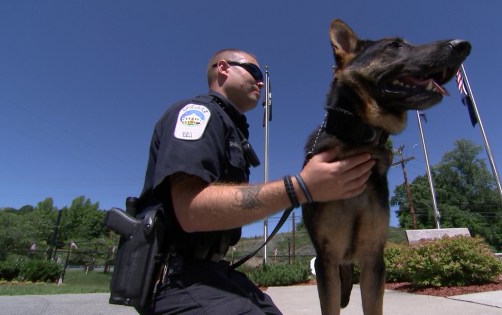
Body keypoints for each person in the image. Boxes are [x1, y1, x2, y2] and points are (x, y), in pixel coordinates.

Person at [138, 48, 376, 314]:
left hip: (211, 272)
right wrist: (300, 187)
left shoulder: (231, 128)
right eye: (253, 71)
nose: (261, 81)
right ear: (224, 69)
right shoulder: (197, 113)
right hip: (175, 281)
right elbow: (190, 210)